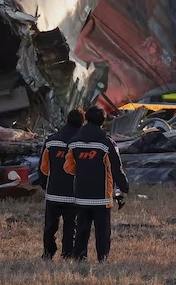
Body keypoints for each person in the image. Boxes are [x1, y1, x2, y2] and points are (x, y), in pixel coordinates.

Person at [64, 105, 130, 262]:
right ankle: (102, 258)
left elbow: (68, 167)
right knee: (102, 231)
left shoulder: (74, 143)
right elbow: (116, 168)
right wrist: (124, 187)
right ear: (103, 121)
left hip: (81, 194)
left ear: (86, 119)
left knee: (81, 229)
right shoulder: (107, 144)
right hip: (102, 197)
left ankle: (79, 258)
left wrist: (83, 173)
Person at [39, 108, 85, 260]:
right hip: (73, 194)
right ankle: (67, 254)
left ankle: (48, 253)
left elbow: (43, 168)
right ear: (82, 123)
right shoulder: (81, 144)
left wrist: (45, 185)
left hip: (53, 192)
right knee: (71, 227)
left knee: (50, 227)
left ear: (66, 120)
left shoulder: (51, 141)